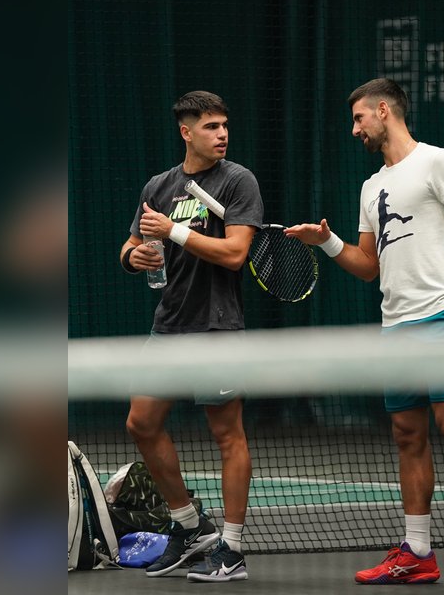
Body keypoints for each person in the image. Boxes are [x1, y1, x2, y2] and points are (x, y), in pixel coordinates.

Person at [284, 78, 444, 588]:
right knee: (407, 434)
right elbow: (367, 266)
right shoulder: (369, 187)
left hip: (443, 314)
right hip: (395, 326)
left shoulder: (439, 162)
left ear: (384, 110)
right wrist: (327, 242)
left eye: (359, 118)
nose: (354, 129)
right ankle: (418, 551)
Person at [119, 90, 263, 582]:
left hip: (217, 328)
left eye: (224, 125)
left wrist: (174, 233)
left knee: (227, 435)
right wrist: (135, 256)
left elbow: (236, 253)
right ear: (186, 132)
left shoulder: (238, 181)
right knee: (141, 422)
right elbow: (133, 244)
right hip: (168, 327)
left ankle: (233, 549)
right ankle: (190, 527)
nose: (222, 134)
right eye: (210, 126)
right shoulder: (159, 186)